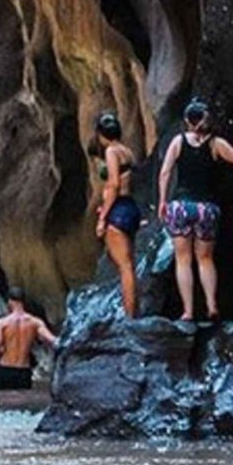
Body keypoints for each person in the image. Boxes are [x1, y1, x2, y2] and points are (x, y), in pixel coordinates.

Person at [157, 99, 233, 321]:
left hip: (181, 205)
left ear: (186, 121)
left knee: (183, 259)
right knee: (205, 259)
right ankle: (211, 305)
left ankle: (188, 311)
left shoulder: (178, 141)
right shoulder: (216, 144)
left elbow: (165, 172)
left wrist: (163, 200)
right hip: (206, 208)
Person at [91, 110, 141, 318]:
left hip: (118, 210)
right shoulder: (127, 151)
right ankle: (133, 311)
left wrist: (103, 217)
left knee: (124, 267)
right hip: (130, 207)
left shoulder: (111, 152)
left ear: (102, 135)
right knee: (128, 264)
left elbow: (113, 183)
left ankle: (130, 316)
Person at [0, 287, 59, 390]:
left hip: (6, 370)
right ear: (23, 301)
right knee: (22, 404)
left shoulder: (3, 323)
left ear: (10, 301)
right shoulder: (35, 322)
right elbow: (54, 340)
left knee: (1, 403)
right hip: (24, 372)